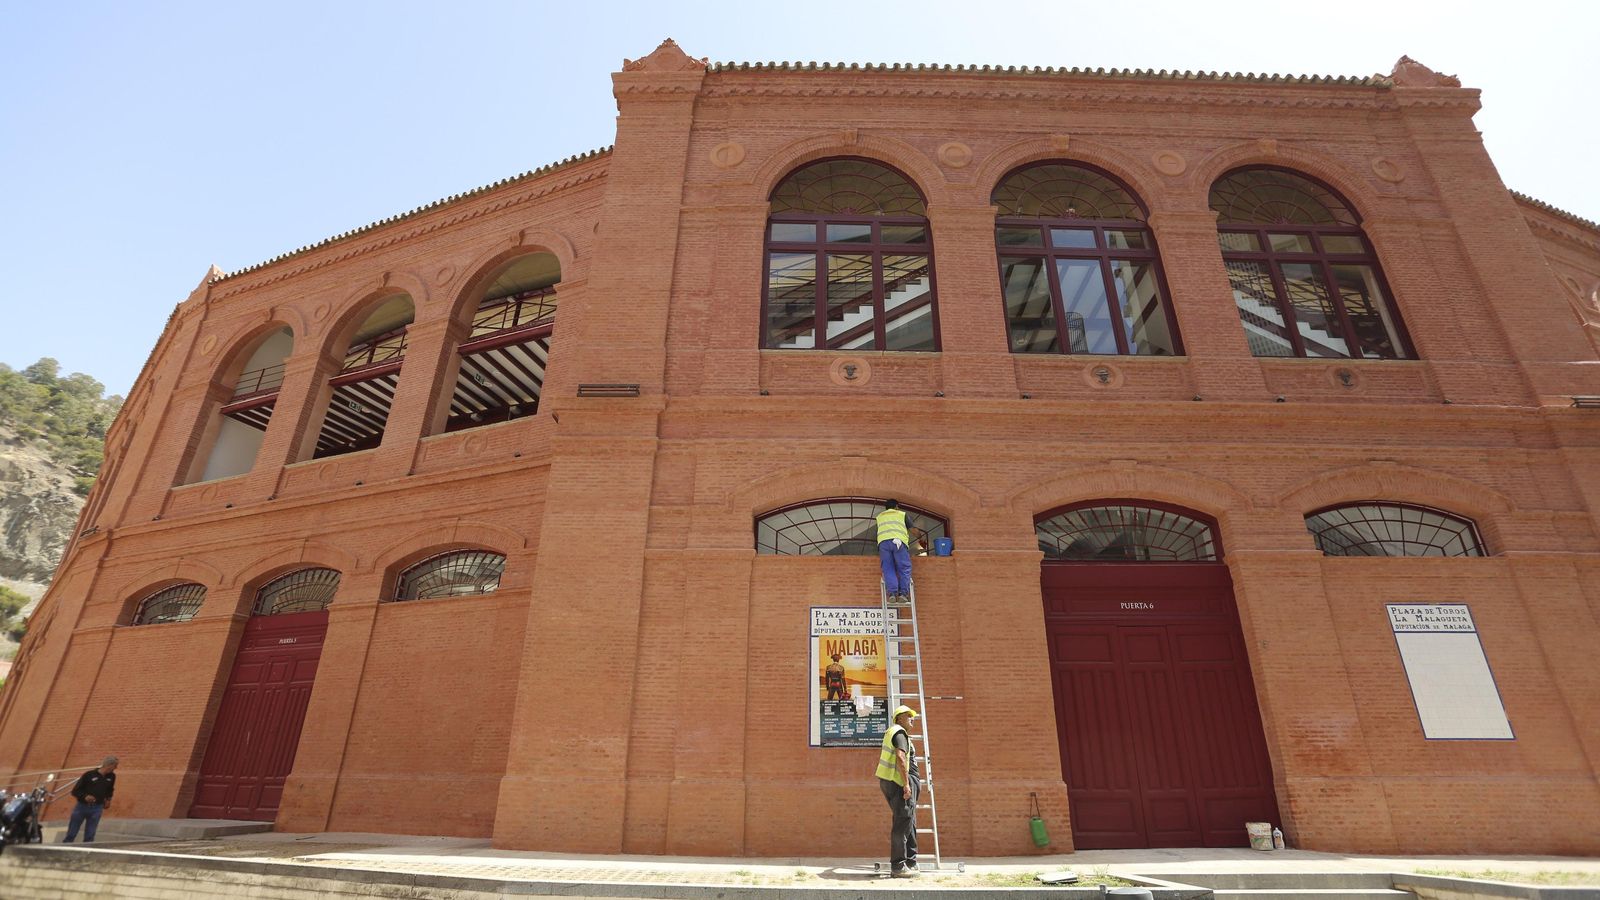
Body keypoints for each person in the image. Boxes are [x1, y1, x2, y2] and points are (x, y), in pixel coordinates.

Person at [874, 705, 920, 877]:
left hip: (892, 781)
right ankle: (898, 866)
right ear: (899, 718)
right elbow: (901, 758)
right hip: (899, 782)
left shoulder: (895, 732)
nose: (912, 719)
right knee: (903, 822)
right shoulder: (899, 732)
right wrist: (907, 784)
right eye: (908, 716)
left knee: (909, 819)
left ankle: (910, 861)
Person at [63, 756, 118, 843]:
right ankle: (65, 848)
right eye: (115, 766)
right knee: (72, 832)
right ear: (109, 765)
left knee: (90, 834)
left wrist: (108, 799)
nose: (116, 768)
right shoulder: (89, 775)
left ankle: (87, 850)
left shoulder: (112, 776)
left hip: (97, 808)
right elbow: (75, 791)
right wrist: (85, 797)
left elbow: (110, 789)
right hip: (82, 807)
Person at [875, 500, 913, 605]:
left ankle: (892, 594)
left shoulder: (880, 517)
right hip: (899, 542)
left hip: (883, 544)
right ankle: (903, 594)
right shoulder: (901, 514)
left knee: (888, 568)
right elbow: (913, 529)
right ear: (896, 506)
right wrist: (921, 538)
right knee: (904, 567)